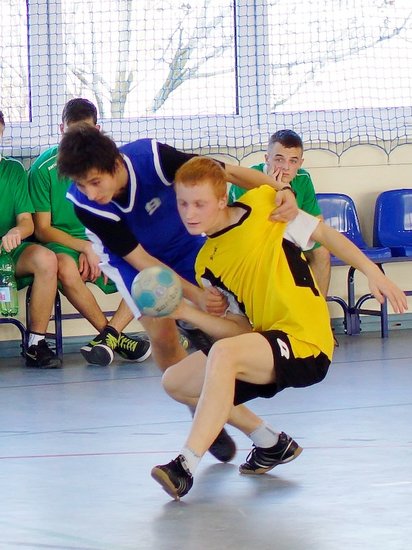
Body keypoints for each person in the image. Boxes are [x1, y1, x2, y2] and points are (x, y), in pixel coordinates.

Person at [150, 157, 407, 500]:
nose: (190, 213)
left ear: (223, 199)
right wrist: (185, 311)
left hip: (306, 342)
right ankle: (270, 442)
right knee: (175, 381)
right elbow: (239, 329)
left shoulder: (264, 207)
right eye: (183, 204)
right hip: (266, 344)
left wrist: (372, 272)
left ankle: (185, 465)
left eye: (200, 203)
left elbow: (323, 234)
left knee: (223, 355)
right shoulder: (206, 263)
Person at [56, 124, 299, 462]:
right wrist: (194, 296)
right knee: (163, 335)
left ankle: (215, 393)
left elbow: (224, 173)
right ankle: (217, 415)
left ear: (115, 163)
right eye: (81, 184)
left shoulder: (153, 158)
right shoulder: (87, 205)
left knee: (229, 326)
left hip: (186, 242)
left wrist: (281, 189)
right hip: (135, 261)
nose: (90, 192)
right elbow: (142, 261)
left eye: (95, 182)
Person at [28, 99, 151, 366]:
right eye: (72, 133)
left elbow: (120, 217)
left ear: (97, 130)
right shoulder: (42, 169)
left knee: (144, 265)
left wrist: (96, 246)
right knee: (64, 266)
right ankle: (116, 339)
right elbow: (43, 230)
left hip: (101, 238)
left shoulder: (111, 166)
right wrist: (84, 246)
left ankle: (110, 335)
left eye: (84, 132)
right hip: (63, 244)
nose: (78, 141)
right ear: (61, 129)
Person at [229, 130, 331, 298]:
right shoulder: (246, 179)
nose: (286, 167)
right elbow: (245, 230)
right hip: (252, 241)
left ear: (300, 163)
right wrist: (270, 190)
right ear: (267, 159)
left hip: (289, 237)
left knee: (321, 252)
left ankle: (318, 307)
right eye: (279, 159)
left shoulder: (303, 178)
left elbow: (317, 221)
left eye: (293, 161)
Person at [0, 110, 61, 368]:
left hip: (8, 253)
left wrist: (15, 232)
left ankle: (35, 344)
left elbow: (27, 222)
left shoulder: (13, 170)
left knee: (46, 259)